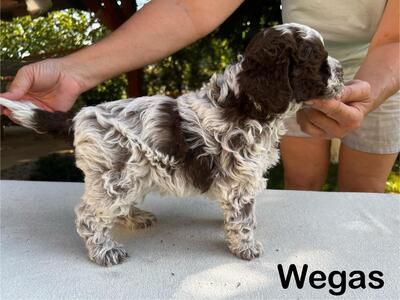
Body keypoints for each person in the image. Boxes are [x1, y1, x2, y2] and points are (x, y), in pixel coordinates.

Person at [1, 0, 398, 192]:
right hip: (291, 70)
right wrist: (73, 70)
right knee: (301, 183)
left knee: (361, 194)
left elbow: (395, 38)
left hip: (384, 65)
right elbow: (190, 6)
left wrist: (373, 90)